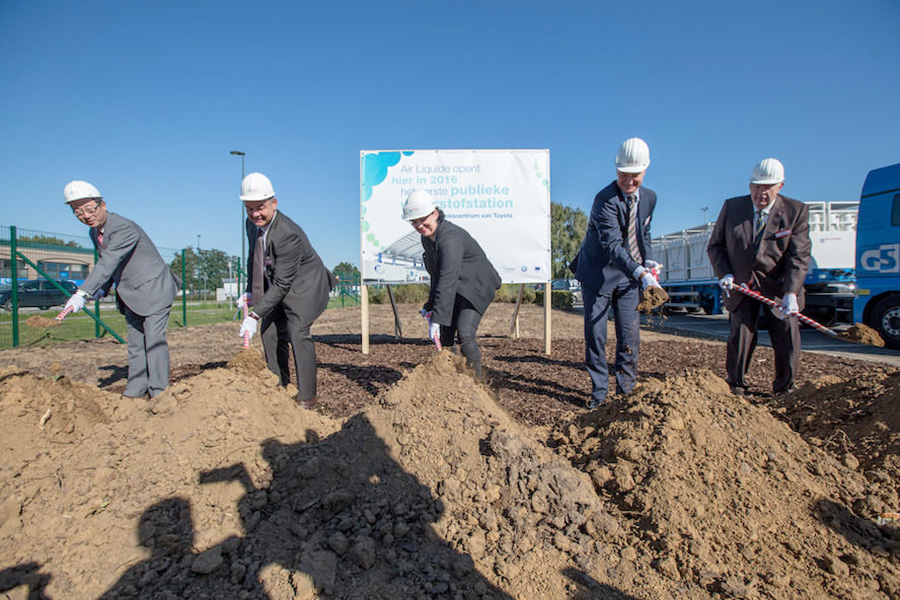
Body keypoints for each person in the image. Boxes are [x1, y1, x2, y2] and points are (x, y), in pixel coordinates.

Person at [62, 180, 179, 398]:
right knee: (135, 343)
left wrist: (82, 292)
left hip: (154, 289)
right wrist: (98, 291)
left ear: (102, 205)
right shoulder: (95, 233)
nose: (86, 216)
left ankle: (159, 393)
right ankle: (135, 389)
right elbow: (109, 265)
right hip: (130, 294)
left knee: (153, 340)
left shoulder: (123, 227)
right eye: (78, 213)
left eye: (89, 209)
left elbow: (108, 261)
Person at [570, 138, 663, 409]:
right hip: (598, 275)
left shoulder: (650, 198)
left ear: (645, 170)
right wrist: (639, 271)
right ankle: (599, 394)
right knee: (596, 336)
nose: (629, 180)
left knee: (629, 334)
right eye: (624, 174)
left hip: (628, 278)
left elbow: (642, 232)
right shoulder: (605, 200)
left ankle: (626, 393)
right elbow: (612, 244)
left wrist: (647, 261)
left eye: (634, 175)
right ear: (616, 170)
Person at [707, 158, 812, 397]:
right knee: (740, 336)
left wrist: (791, 293)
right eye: (756, 186)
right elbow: (716, 246)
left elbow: (799, 255)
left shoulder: (795, 211)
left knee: (786, 336)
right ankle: (736, 385)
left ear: (780, 186)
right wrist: (725, 273)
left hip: (778, 287)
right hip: (742, 285)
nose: (760, 192)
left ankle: (785, 389)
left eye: (767, 187)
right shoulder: (733, 208)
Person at [237, 173, 334, 409]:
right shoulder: (252, 225)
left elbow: (282, 284)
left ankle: (307, 397)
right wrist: (250, 291)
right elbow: (254, 259)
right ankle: (278, 386)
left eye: (260, 207)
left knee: (296, 330)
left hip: (307, 285)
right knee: (269, 331)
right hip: (281, 283)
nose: (255, 214)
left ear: (274, 203)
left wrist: (253, 315)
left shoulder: (287, 234)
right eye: (249, 209)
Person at [402, 190, 501, 379]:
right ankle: (452, 381)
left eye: (423, 219)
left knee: (465, 334)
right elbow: (436, 275)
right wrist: (430, 306)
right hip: (457, 286)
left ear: (435, 214)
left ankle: (476, 385)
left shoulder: (450, 237)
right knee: (445, 338)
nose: (420, 225)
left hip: (477, 285)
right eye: (414, 221)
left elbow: (447, 278)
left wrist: (438, 318)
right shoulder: (427, 239)